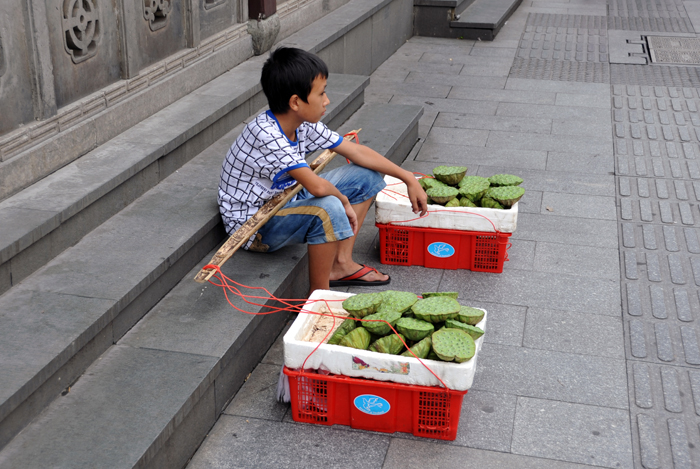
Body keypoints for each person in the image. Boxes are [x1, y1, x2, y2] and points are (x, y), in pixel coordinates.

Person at [218, 47, 427, 295]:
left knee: (367, 177)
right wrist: (343, 200)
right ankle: (318, 299)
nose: (327, 100)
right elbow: (317, 187)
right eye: (321, 93)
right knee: (329, 207)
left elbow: (356, 151)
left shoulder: (302, 123)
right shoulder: (266, 134)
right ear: (296, 102)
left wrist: (406, 178)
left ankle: (341, 264)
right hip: (256, 225)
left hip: (285, 197)